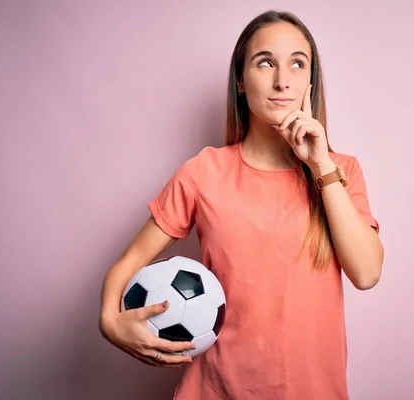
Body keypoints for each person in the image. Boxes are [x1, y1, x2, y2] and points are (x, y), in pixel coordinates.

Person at [98, 9, 384, 400]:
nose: (282, 81)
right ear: (240, 81)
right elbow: (127, 265)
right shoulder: (205, 171)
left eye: (297, 65)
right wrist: (110, 324)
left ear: (310, 83)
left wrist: (320, 164)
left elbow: (366, 273)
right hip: (216, 390)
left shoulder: (340, 169)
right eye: (265, 62)